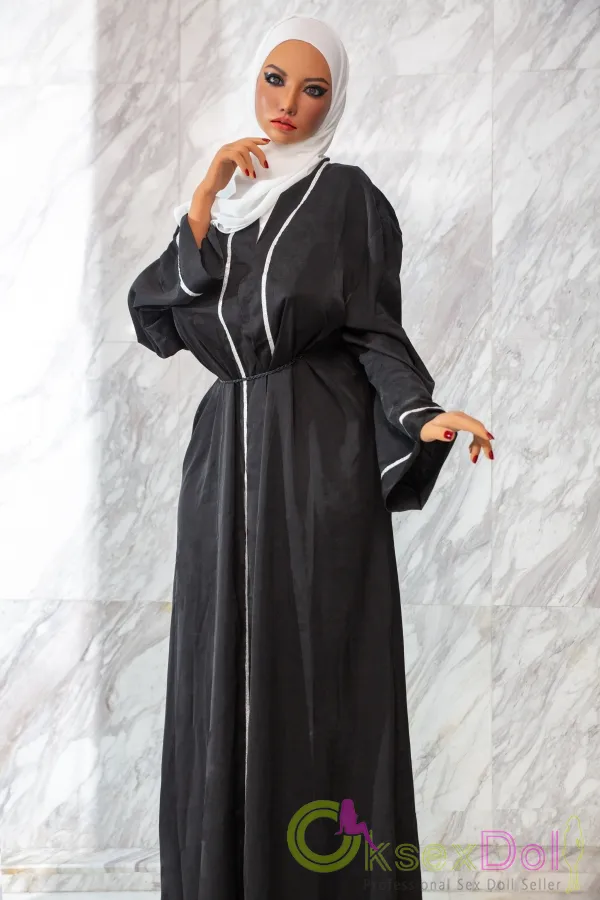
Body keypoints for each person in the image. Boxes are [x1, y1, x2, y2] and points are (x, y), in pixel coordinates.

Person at [127, 14, 494, 900]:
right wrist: (202, 200)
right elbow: (156, 320)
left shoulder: (348, 197)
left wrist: (419, 414)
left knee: (317, 669)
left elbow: (375, 330)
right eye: (275, 80)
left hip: (318, 458)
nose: (289, 102)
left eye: (313, 88)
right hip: (223, 462)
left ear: (336, 99)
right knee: (221, 667)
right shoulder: (228, 209)